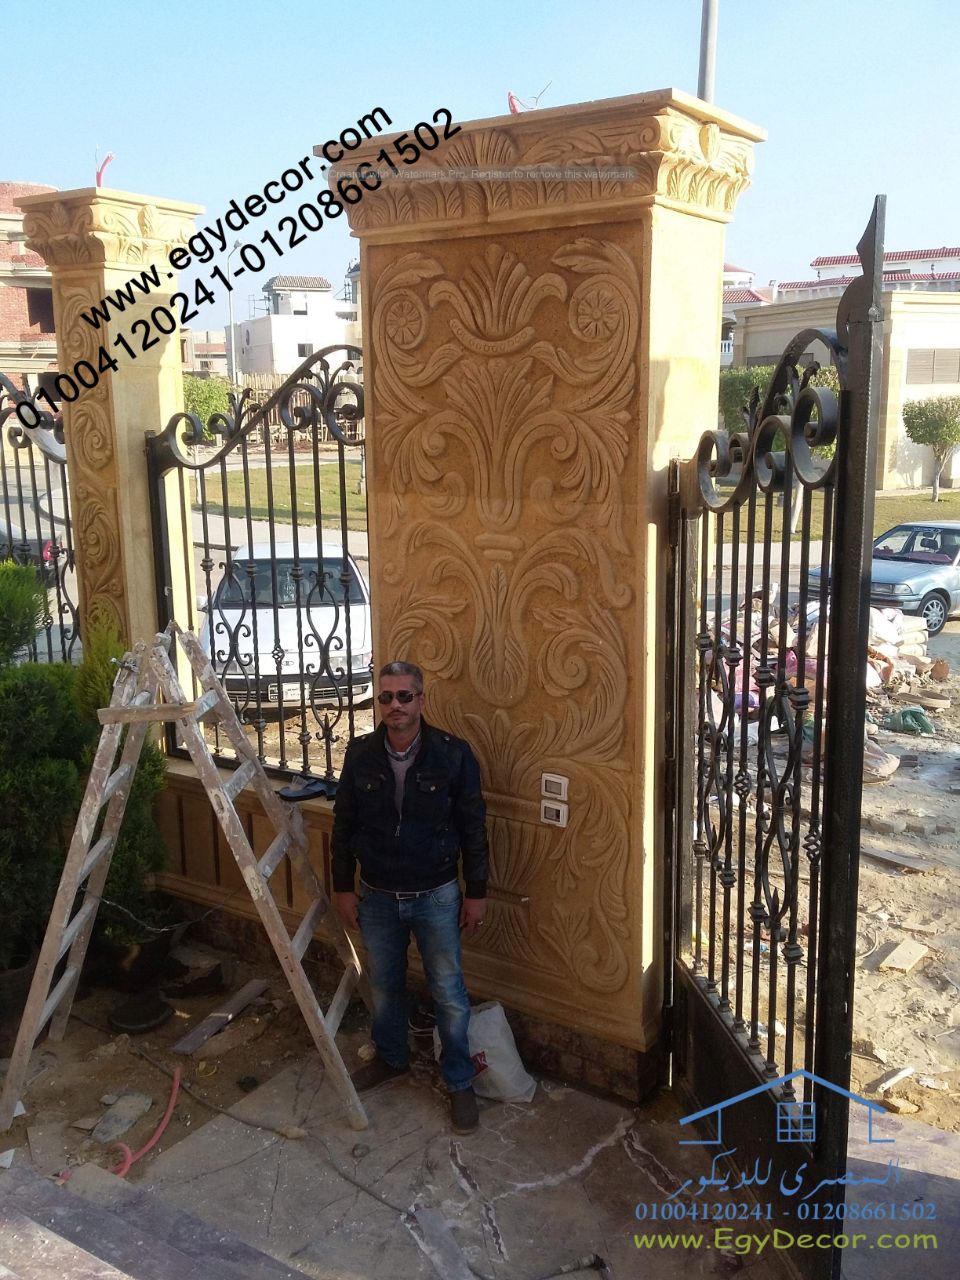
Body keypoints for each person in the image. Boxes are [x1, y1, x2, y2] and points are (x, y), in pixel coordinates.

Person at [331, 661, 488, 1134]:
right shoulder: (360, 754)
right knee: (384, 985)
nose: (394, 705)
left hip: (436, 894)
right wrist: (343, 886)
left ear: (422, 699)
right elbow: (344, 824)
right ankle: (391, 1058)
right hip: (377, 895)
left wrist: (477, 892)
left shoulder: (453, 755)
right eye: (386, 697)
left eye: (404, 696)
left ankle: (459, 1081)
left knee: (449, 993)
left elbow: (473, 828)